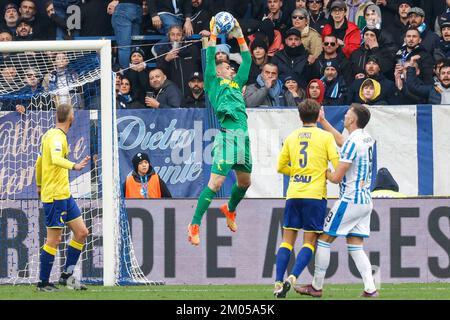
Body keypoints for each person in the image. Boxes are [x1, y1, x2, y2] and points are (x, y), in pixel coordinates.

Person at [297, 103, 379, 298]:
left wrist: (319, 167)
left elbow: (336, 178)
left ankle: (316, 287)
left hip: (350, 199)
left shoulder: (353, 142)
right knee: (355, 243)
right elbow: (344, 141)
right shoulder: (365, 138)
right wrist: (323, 121)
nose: (345, 116)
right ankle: (370, 289)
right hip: (365, 199)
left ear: (352, 119)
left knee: (324, 239)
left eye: (347, 114)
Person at [187, 18, 252, 246]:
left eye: (230, 66)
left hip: (242, 138)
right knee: (215, 183)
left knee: (245, 183)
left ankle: (230, 209)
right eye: (226, 65)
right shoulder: (213, 82)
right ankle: (194, 224)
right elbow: (209, 55)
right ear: (217, 70)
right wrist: (213, 33)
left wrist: (240, 34)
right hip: (227, 137)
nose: (231, 67)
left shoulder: (237, 82)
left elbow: (247, 59)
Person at [273, 98, 339, 298]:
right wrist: (322, 172)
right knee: (309, 242)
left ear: (299, 116)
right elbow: (337, 166)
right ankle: (292, 278)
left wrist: (297, 172)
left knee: (286, 241)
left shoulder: (292, 137)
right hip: (314, 195)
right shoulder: (326, 137)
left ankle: (277, 282)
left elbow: (280, 167)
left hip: (293, 193)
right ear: (318, 115)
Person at [35, 103, 90, 291]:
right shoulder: (57, 138)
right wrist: (74, 166)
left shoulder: (50, 135)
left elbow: (40, 162)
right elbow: (56, 159)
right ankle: (43, 282)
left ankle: (66, 276)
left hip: (64, 194)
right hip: (55, 197)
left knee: (82, 232)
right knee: (54, 240)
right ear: (70, 118)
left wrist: (39, 183)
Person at [109, 0, 143, 69]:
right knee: (135, 47)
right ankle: (135, 74)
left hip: (123, 7)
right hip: (138, 7)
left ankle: (125, 75)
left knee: (124, 47)